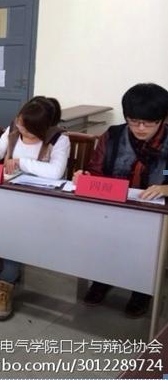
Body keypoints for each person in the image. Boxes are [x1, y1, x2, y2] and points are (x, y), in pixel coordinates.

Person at [73, 83, 168, 318]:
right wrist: (85, 177)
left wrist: (165, 187)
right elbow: (97, 170)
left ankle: (142, 290)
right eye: (134, 121)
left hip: (155, 215)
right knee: (106, 243)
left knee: (146, 251)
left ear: (163, 119)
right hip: (114, 207)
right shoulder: (114, 136)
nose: (141, 128)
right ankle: (103, 280)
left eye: (149, 123)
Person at [0, 96, 70, 320]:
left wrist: (21, 162)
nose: (21, 130)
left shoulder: (59, 139)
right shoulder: (14, 129)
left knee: (15, 229)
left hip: (41, 203)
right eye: (20, 123)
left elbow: (56, 172)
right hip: (10, 197)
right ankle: (6, 267)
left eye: (28, 129)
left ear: (43, 128)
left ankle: (6, 282)